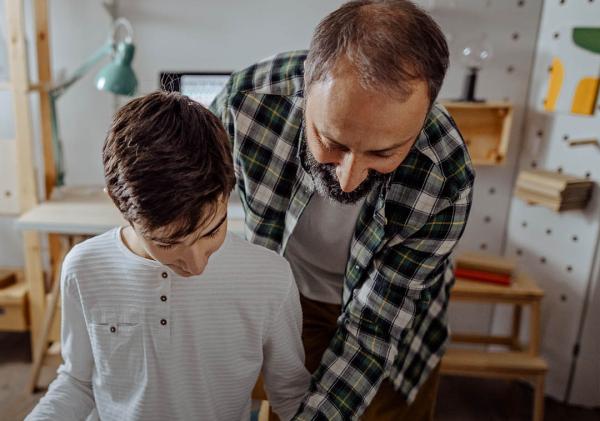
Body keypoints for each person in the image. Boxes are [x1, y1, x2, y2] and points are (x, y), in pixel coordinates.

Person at [210, 1, 475, 419]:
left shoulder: (444, 172)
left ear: (422, 118)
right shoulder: (247, 102)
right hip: (288, 296)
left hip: (394, 321)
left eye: (383, 152)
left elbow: (373, 330)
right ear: (307, 85)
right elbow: (191, 195)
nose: (348, 180)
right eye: (332, 141)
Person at [26, 91, 310, 421]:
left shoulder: (269, 278)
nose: (196, 264)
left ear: (227, 190)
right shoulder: (83, 267)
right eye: (168, 243)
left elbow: (290, 395)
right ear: (119, 207)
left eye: (211, 232)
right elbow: (77, 382)